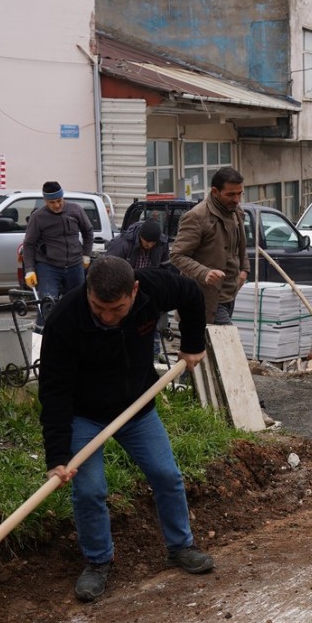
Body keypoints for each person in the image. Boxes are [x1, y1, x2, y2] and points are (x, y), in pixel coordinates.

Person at [39, 256, 212, 603]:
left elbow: (192, 292)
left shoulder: (152, 288)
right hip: (84, 415)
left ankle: (180, 547)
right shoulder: (64, 322)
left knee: (166, 475)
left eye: (116, 309)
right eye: (98, 307)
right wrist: (58, 454)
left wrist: (194, 343)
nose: (106, 316)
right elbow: (53, 393)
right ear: (88, 290)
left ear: (133, 291)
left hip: (136, 407)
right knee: (89, 490)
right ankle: (98, 561)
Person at [171, 167, 248, 324]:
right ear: (215, 192)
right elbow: (177, 255)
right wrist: (204, 272)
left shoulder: (236, 212)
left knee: (210, 348)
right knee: (228, 346)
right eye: (231, 194)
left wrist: (245, 270)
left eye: (240, 193)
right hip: (205, 300)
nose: (237, 199)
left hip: (229, 296)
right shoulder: (196, 217)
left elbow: (240, 246)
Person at [24, 181, 94, 331]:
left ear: (63, 197)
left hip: (75, 264)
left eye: (59, 200)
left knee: (78, 304)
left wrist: (86, 255)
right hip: (48, 267)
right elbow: (29, 245)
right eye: (52, 202)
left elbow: (88, 232)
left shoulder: (75, 210)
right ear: (45, 201)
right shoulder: (38, 217)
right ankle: (42, 338)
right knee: (47, 304)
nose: (56, 205)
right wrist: (29, 269)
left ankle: (77, 337)